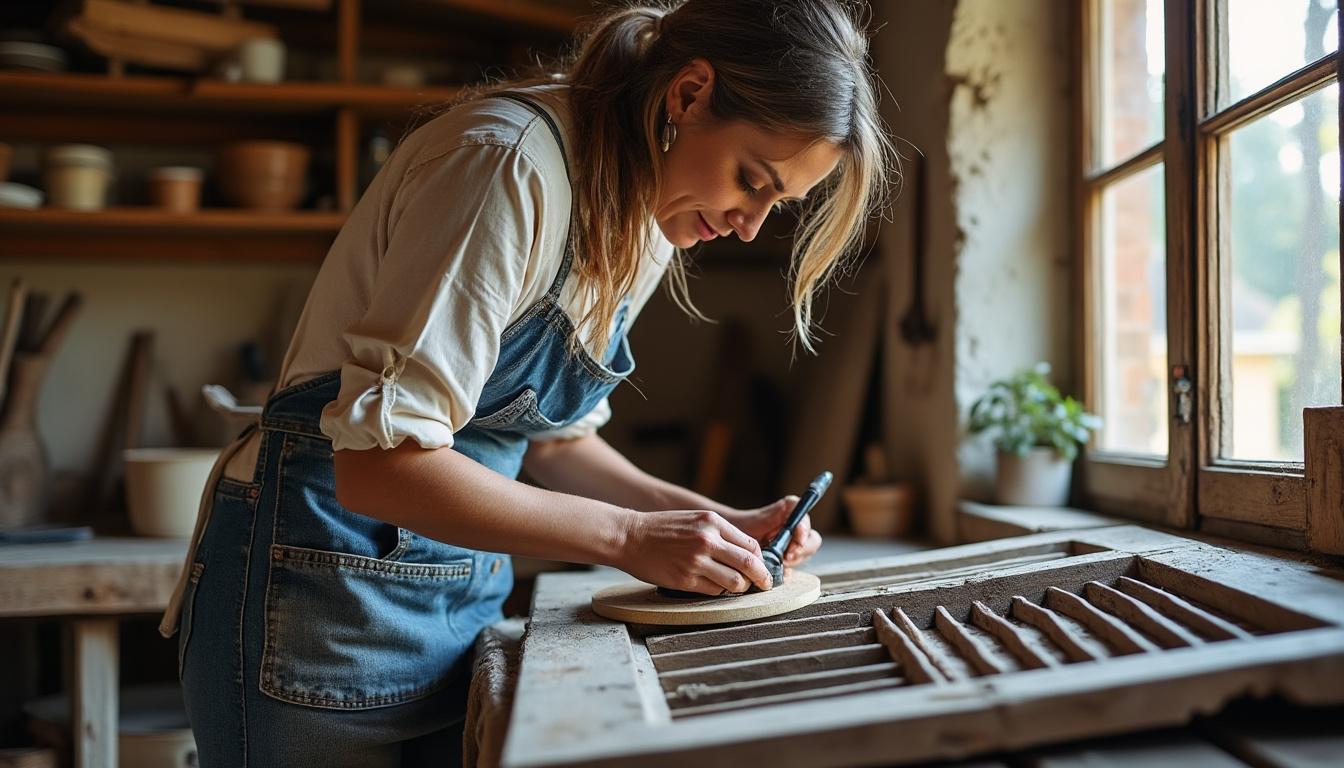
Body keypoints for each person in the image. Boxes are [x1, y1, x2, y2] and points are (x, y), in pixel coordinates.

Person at [160, 0, 895, 764]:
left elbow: (550, 445)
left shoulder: (646, 209)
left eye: (777, 204)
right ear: (687, 94)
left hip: (459, 604)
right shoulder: (506, 164)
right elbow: (378, 467)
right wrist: (630, 538)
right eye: (752, 179)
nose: (749, 224)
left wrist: (715, 524)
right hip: (312, 601)